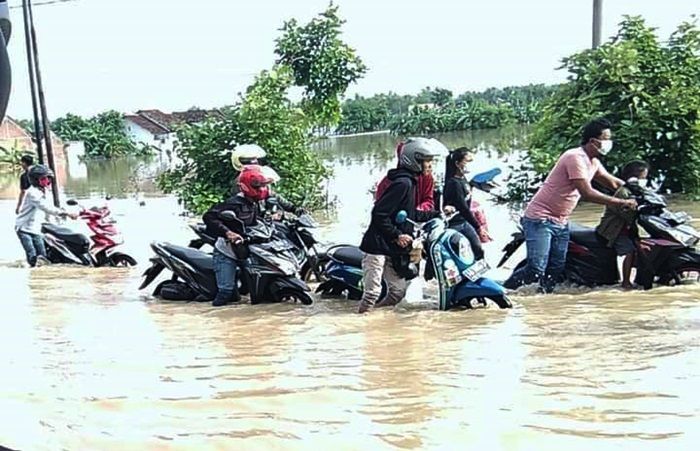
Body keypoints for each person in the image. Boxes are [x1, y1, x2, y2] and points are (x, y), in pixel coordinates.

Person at [504, 118, 637, 293]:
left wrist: (637, 190)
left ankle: (543, 298)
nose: (608, 143)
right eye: (605, 138)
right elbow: (587, 192)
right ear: (593, 141)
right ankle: (505, 290)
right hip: (540, 218)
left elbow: (613, 183)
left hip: (561, 221)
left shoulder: (593, 162)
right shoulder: (575, 157)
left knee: (556, 268)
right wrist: (621, 202)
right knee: (536, 268)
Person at [358, 137, 449, 314]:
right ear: (414, 161)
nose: (430, 166)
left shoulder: (411, 182)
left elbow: (411, 214)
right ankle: (359, 322)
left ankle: (376, 320)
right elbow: (379, 214)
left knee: (398, 292)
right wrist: (396, 235)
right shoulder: (402, 183)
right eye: (426, 161)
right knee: (371, 294)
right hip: (377, 245)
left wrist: (437, 213)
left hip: (391, 246)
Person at [202, 165, 274, 307]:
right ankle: (214, 317)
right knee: (226, 292)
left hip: (246, 249)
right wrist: (228, 233)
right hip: (227, 252)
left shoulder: (256, 202)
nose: (261, 190)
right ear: (247, 187)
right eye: (257, 186)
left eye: (262, 186)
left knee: (252, 287)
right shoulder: (234, 203)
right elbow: (209, 217)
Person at [596, 160, 650, 289]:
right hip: (614, 230)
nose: (645, 179)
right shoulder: (623, 192)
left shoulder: (637, 190)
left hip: (628, 228)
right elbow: (625, 213)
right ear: (634, 176)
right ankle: (626, 282)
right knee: (630, 251)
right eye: (643, 177)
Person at [15, 164, 77, 267]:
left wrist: (57, 222)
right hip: (24, 229)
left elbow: (49, 208)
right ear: (35, 180)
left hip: (36, 228)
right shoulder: (32, 193)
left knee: (43, 256)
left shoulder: (45, 191)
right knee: (32, 255)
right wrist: (66, 213)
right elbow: (46, 208)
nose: (47, 181)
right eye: (43, 178)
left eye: (47, 178)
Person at [442, 147, 485, 260]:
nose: (471, 164)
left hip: (464, 222)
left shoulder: (463, 180)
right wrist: (478, 226)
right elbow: (463, 208)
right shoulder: (453, 183)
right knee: (462, 255)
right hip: (454, 225)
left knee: (478, 250)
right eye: (468, 161)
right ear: (457, 163)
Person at [375, 141, 435, 211]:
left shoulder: (426, 177)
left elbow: (428, 200)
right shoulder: (390, 182)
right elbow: (380, 209)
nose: (430, 165)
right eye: (427, 161)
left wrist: (420, 209)